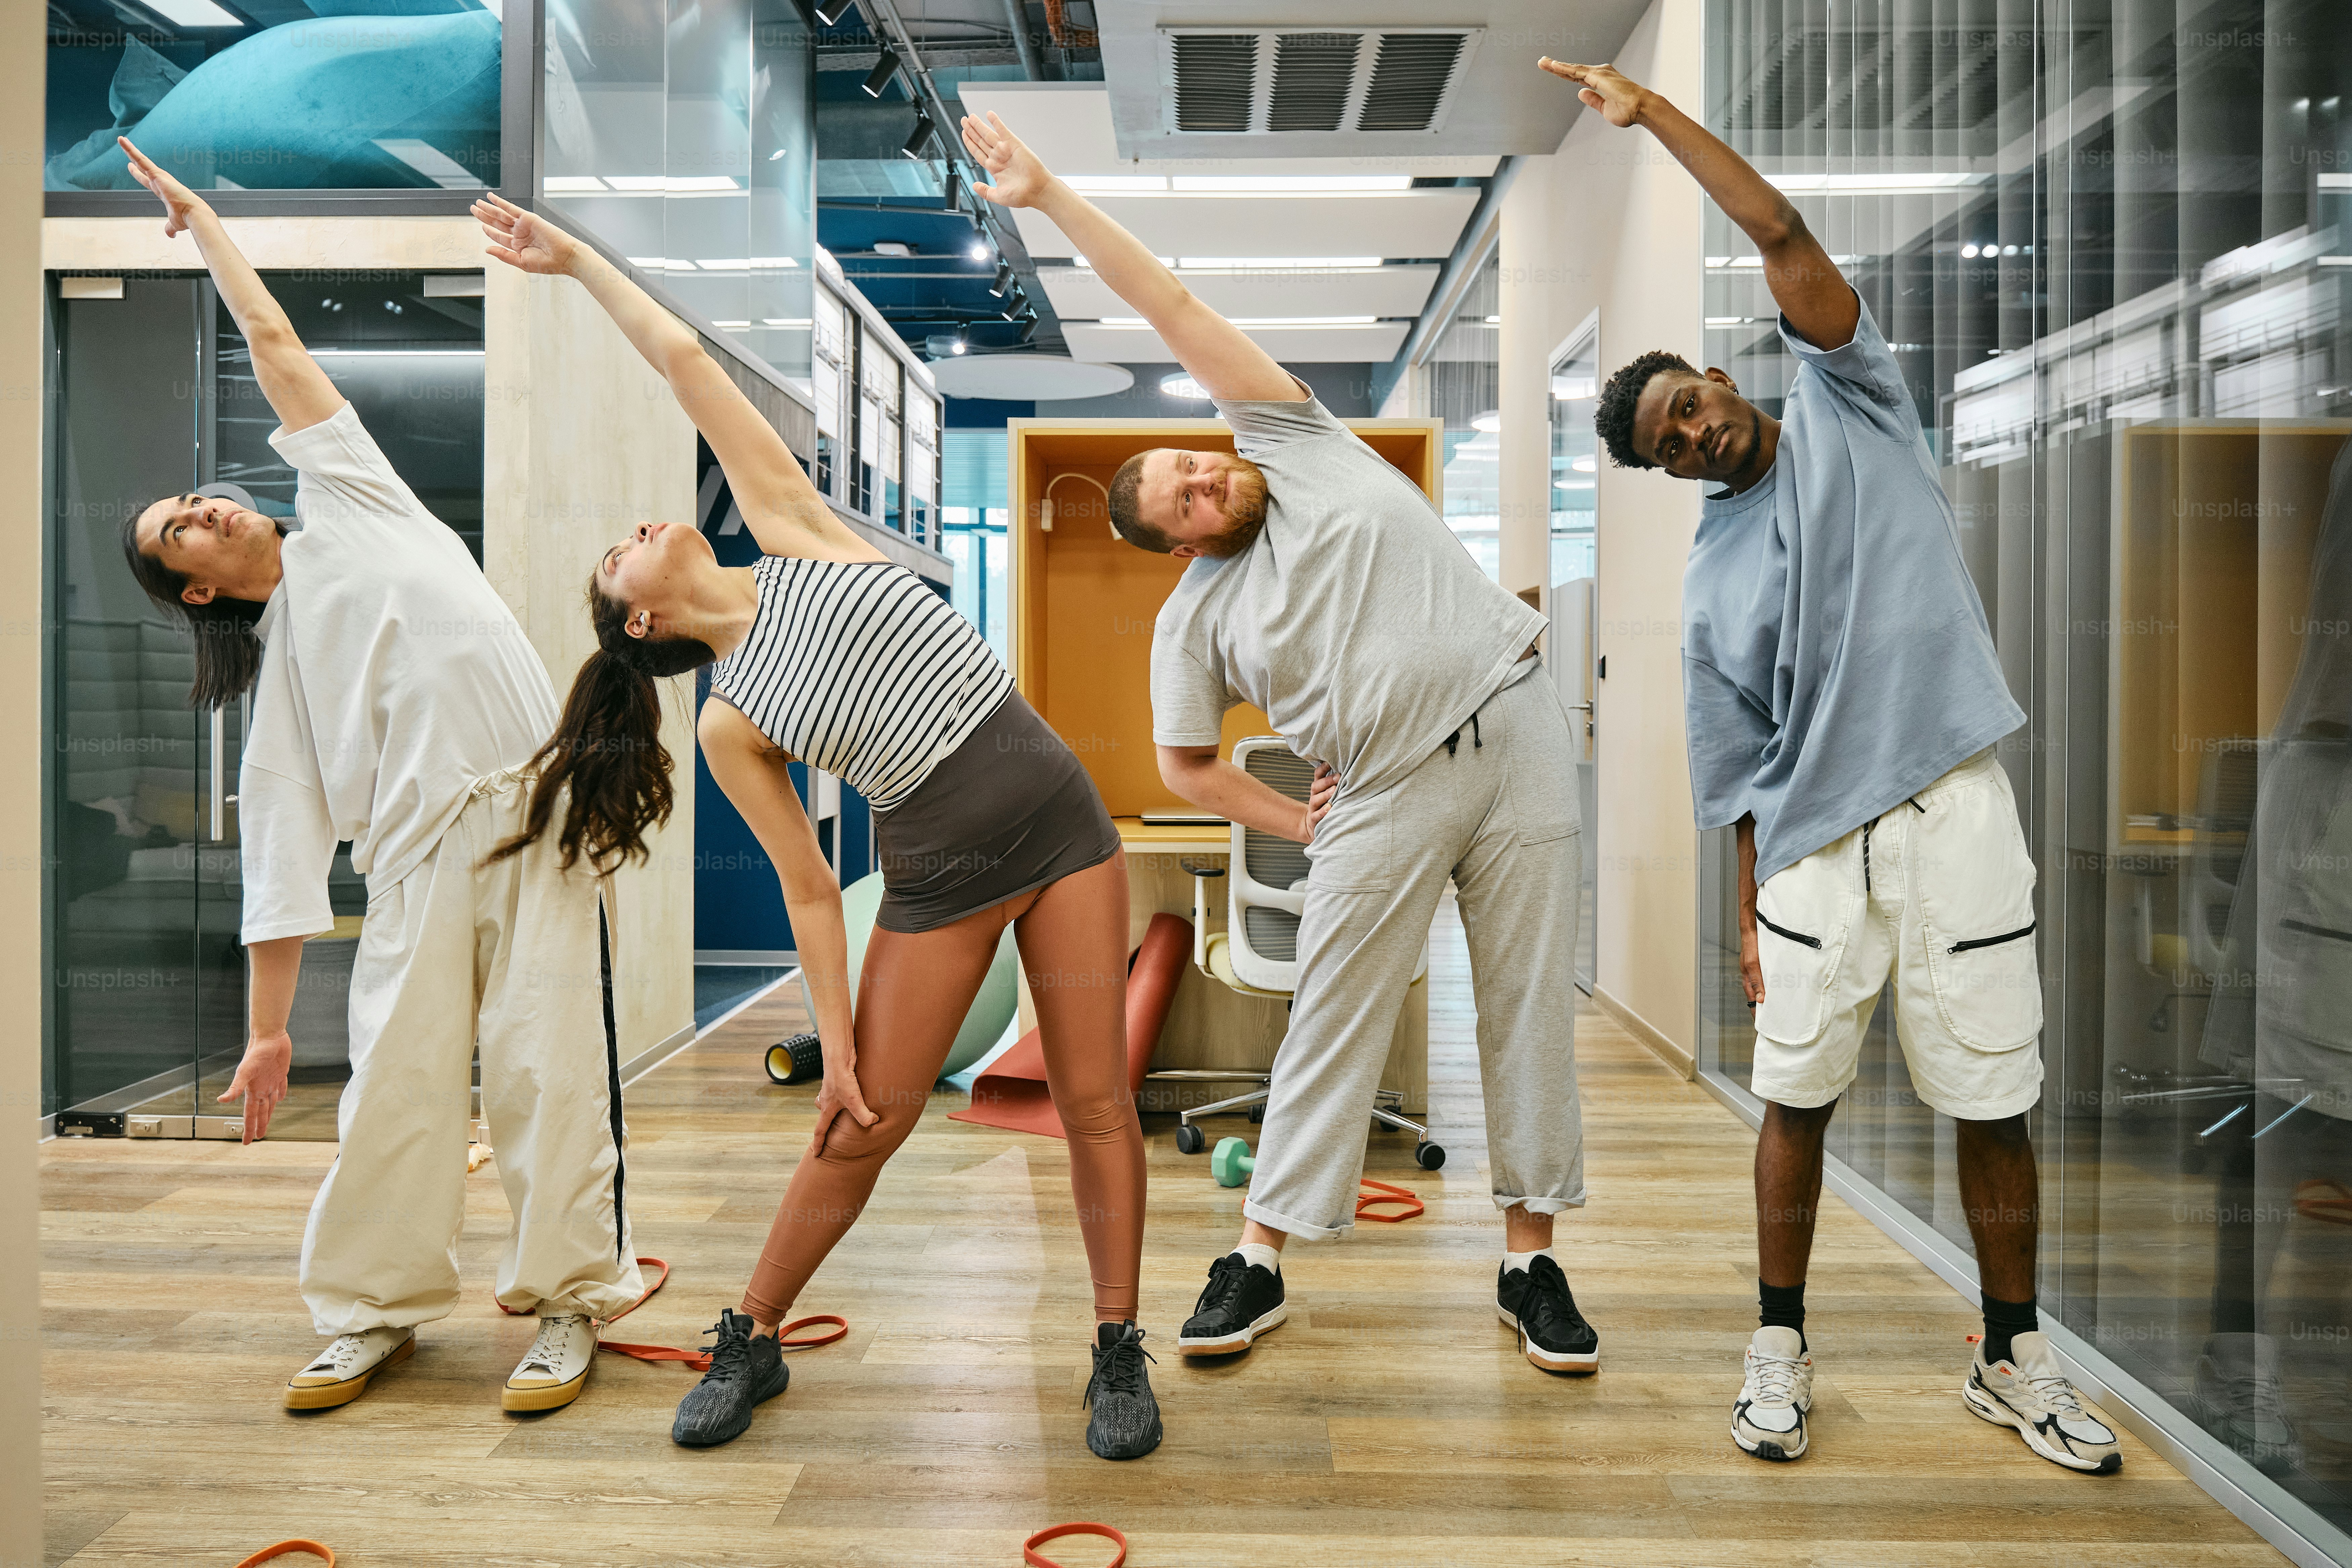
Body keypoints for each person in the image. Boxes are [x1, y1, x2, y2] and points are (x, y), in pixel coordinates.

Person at [468, 194, 1161, 1460]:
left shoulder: (793, 531)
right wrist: (831, 1041)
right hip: (941, 873)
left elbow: (686, 361)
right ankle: (754, 1331)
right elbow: (805, 887)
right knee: (867, 1117)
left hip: (1067, 826)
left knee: (1096, 1099)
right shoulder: (734, 721)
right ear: (642, 624)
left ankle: (1118, 1344)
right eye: (618, 556)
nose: (635, 532)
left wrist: (573, 260)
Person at [1548, 56, 2122, 1472]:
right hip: (1811, 850)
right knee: (1792, 1100)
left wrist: (1655, 115)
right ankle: (1779, 1347)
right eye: (1669, 443)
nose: (1693, 430)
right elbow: (1736, 769)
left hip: (1954, 807)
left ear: (1718, 377)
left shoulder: (1856, 404)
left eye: (1686, 401)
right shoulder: (1707, 583)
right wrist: (1743, 914)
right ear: (1671, 474)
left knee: (1994, 1095)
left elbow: (1782, 237)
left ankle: (2011, 1353)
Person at [961, 112, 1598, 1378]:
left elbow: (1173, 303)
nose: (1209, 484)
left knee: (1529, 1007)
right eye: (1186, 500)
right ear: (1179, 542)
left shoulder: (1294, 444)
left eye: (1201, 464)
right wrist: (1299, 822)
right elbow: (1188, 769)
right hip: (1378, 790)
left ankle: (1531, 1260)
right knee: (1330, 1018)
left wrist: (1050, 197)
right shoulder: (1193, 621)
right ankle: (1259, 1257)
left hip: (1518, 722)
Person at [116, 138, 641, 1415]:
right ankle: (369, 1315)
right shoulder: (277, 690)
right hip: (411, 869)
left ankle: (572, 1301)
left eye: (199, 495)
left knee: (548, 1069)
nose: (208, 506)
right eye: (182, 527)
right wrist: (263, 1033)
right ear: (194, 585)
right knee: (395, 1099)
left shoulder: (353, 499)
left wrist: (210, 224)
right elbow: (285, 875)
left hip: (535, 818)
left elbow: (282, 350)